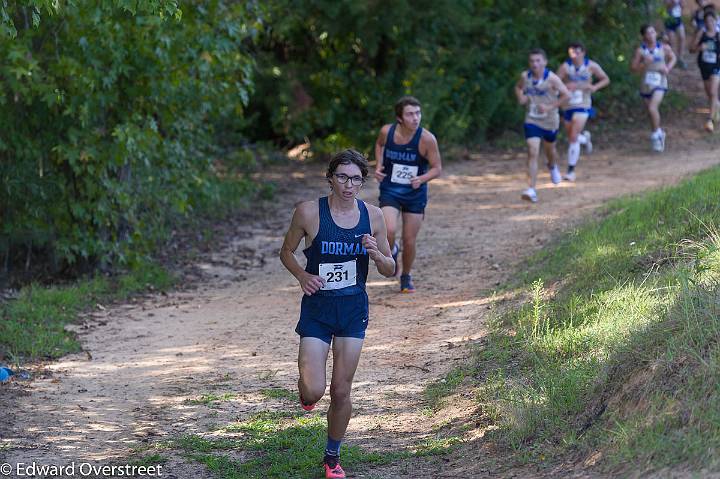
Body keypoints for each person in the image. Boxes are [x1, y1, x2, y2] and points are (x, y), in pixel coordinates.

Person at [279, 149, 395, 479]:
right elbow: (286, 251)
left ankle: (332, 457)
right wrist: (302, 276)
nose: (348, 184)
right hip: (317, 309)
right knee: (314, 390)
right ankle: (306, 394)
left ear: (363, 182)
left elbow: (390, 268)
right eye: (342, 177)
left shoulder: (373, 216)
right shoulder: (308, 213)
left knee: (341, 391)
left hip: (352, 310)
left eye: (356, 179)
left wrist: (376, 254)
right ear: (330, 178)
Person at [374, 96, 442, 293]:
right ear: (400, 118)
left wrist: (422, 178)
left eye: (418, 113)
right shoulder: (387, 132)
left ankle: (406, 276)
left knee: (409, 240)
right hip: (391, 189)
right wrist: (378, 165)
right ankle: (392, 251)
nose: (415, 118)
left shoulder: (427, 139)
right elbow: (379, 145)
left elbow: (437, 169)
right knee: (388, 230)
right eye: (410, 114)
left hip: (414, 193)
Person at [514, 48, 570, 202]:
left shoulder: (552, 78)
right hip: (532, 119)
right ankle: (531, 189)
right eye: (532, 61)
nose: (535, 64)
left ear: (544, 62)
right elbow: (518, 87)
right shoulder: (525, 77)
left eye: (538, 61)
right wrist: (521, 97)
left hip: (550, 120)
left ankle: (552, 166)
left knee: (550, 149)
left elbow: (567, 95)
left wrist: (550, 107)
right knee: (532, 151)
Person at [557, 43, 610, 181]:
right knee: (571, 136)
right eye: (571, 52)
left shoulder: (591, 66)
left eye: (577, 52)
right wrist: (565, 86)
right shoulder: (565, 67)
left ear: (583, 53)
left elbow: (605, 79)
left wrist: (594, 87)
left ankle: (571, 171)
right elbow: (555, 83)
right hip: (568, 104)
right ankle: (585, 139)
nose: (574, 55)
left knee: (573, 136)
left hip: (583, 103)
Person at [631, 25, 677, 152]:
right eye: (648, 33)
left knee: (652, 107)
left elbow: (673, 58)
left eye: (653, 32)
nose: (651, 35)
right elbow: (633, 68)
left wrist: (667, 68)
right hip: (646, 83)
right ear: (644, 36)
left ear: (656, 33)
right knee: (651, 112)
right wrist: (644, 63)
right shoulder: (641, 51)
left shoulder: (664, 47)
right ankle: (659, 133)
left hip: (660, 82)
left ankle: (656, 136)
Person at [690, 11, 720, 132]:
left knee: (713, 92)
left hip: (716, 66)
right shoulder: (701, 33)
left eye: (712, 21)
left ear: (715, 21)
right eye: (707, 22)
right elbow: (691, 49)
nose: (710, 23)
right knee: (710, 94)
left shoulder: (718, 35)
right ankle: (717, 108)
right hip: (704, 67)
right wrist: (699, 48)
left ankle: (709, 120)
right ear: (705, 23)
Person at [665, 0, 687, 69]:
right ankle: (672, 59)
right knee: (671, 41)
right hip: (669, 18)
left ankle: (680, 58)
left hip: (678, 18)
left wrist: (681, 3)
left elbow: (683, 6)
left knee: (682, 37)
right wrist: (673, 4)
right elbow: (667, 7)